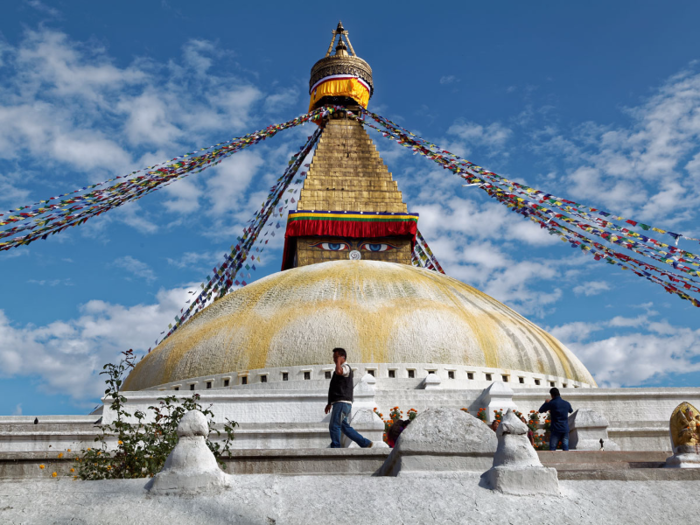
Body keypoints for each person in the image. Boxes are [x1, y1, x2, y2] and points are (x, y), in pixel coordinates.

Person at [324, 348, 372, 448]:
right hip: (341, 403)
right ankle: (365, 443)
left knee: (334, 426)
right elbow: (332, 388)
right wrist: (329, 403)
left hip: (342, 403)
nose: (334, 359)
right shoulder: (340, 369)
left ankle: (336, 447)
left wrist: (338, 362)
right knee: (344, 427)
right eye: (334, 358)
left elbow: (339, 371)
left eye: (336, 357)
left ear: (343, 357)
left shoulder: (346, 368)